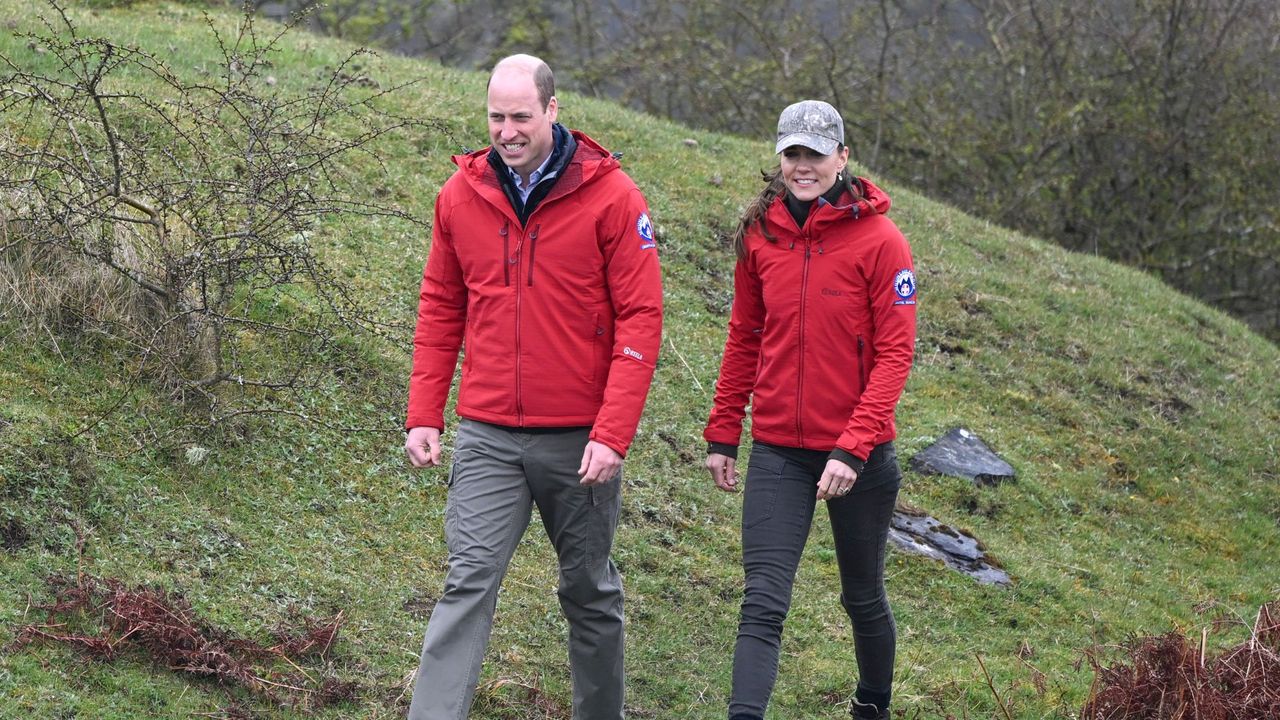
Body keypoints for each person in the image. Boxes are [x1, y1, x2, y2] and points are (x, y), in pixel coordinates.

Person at [403, 54, 663, 720]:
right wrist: (423, 414)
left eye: (521, 116)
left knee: (587, 591)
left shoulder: (614, 198)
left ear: (553, 109)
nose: (507, 130)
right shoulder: (459, 196)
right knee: (468, 581)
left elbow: (642, 318)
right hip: (489, 435)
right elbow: (440, 305)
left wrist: (612, 434)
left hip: (579, 442)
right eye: (496, 116)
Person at [703, 100, 916, 720]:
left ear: (842, 159)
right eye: (792, 154)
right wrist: (723, 431)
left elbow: (895, 356)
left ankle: (871, 706)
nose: (802, 167)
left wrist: (853, 447)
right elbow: (744, 335)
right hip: (778, 450)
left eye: (815, 156)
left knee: (862, 597)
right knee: (762, 600)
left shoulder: (882, 242)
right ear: (780, 158)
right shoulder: (759, 234)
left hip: (861, 456)